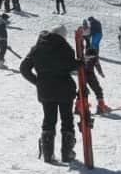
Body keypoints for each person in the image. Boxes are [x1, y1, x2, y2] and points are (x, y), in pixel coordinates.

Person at [20, 25, 78, 163]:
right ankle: (67, 153)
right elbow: (71, 65)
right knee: (67, 120)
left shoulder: (37, 48)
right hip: (65, 89)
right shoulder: (65, 48)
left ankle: (48, 154)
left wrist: (38, 82)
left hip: (46, 90)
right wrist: (81, 63)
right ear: (62, 36)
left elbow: (24, 68)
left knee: (49, 120)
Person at [84, 48, 112, 114]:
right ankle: (100, 106)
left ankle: (79, 105)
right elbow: (97, 65)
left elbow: (97, 65)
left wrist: (100, 73)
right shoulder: (94, 58)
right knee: (97, 90)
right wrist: (100, 73)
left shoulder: (82, 57)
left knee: (83, 90)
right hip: (89, 75)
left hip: (83, 75)